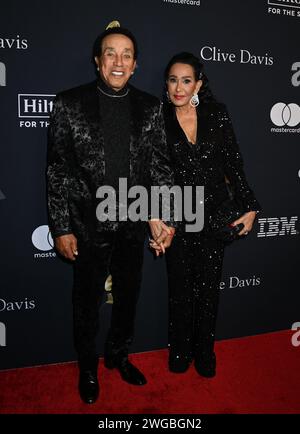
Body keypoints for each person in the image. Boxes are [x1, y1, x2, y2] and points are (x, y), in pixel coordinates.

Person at [46, 23, 175, 404]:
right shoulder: (69, 104)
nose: (118, 62)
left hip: (134, 224)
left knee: (129, 296)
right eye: (110, 53)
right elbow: (58, 170)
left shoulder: (151, 107)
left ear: (135, 65)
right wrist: (61, 226)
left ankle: (118, 355)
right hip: (87, 226)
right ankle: (87, 366)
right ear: (97, 61)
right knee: (86, 302)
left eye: (127, 55)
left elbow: (159, 169)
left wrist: (164, 218)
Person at [150, 52, 261, 377]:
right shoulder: (159, 118)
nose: (179, 87)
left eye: (186, 80)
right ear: (166, 84)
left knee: (209, 289)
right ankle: (180, 350)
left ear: (198, 83)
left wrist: (251, 206)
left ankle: (204, 352)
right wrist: (159, 218)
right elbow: (155, 172)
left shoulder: (217, 114)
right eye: (173, 80)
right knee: (180, 289)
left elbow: (234, 165)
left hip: (212, 214)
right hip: (178, 216)